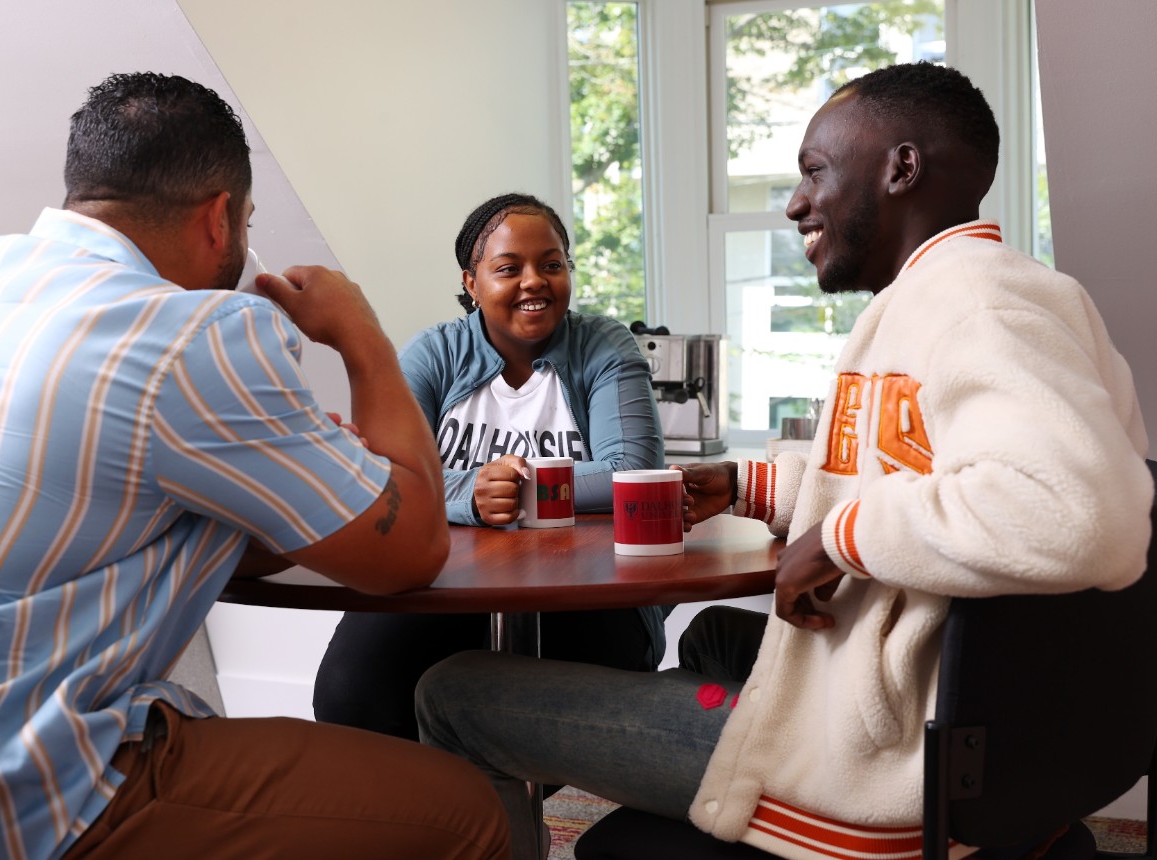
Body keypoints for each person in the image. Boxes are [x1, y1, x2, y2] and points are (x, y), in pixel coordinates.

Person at [415, 61, 1154, 860]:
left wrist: (842, 538)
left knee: (454, 691)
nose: (798, 202)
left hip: (879, 761)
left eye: (814, 172)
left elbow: (1078, 514)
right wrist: (754, 484)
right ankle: (698, 742)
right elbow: (913, 472)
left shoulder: (978, 304)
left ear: (901, 169)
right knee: (710, 650)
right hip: (908, 703)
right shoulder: (954, 297)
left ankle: (728, 768)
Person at [0, 72, 510, 860]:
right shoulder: (193, 334)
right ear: (220, 219)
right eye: (246, 220)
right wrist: (361, 334)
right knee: (467, 811)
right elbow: (411, 551)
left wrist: (300, 483)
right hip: (31, 790)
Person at [312, 193, 668, 741]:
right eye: (509, 268)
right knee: (350, 694)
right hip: (444, 583)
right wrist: (469, 493)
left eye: (552, 264)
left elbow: (633, 471)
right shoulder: (434, 354)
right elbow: (381, 471)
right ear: (471, 283)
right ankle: (446, 817)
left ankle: (510, 817)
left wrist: (519, 490)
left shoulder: (604, 346)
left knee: (538, 721)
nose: (535, 281)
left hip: (588, 590)